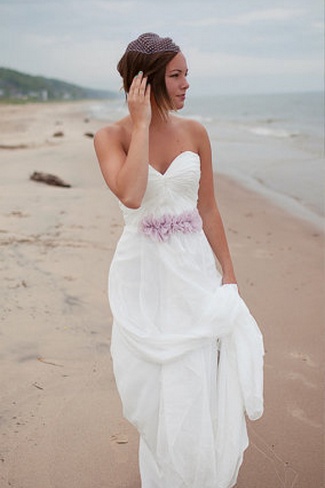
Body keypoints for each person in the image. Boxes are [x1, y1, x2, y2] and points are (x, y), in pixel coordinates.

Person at [94, 32, 264, 488]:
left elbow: (207, 208)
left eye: (187, 73)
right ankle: (166, 464)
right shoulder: (111, 136)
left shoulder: (196, 133)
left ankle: (196, 472)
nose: (187, 83)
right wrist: (142, 124)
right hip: (142, 273)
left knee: (195, 369)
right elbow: (131, 194)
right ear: (147, 82)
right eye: (176, 75)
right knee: (149, 381)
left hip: (193, 268)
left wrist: (228, 274)